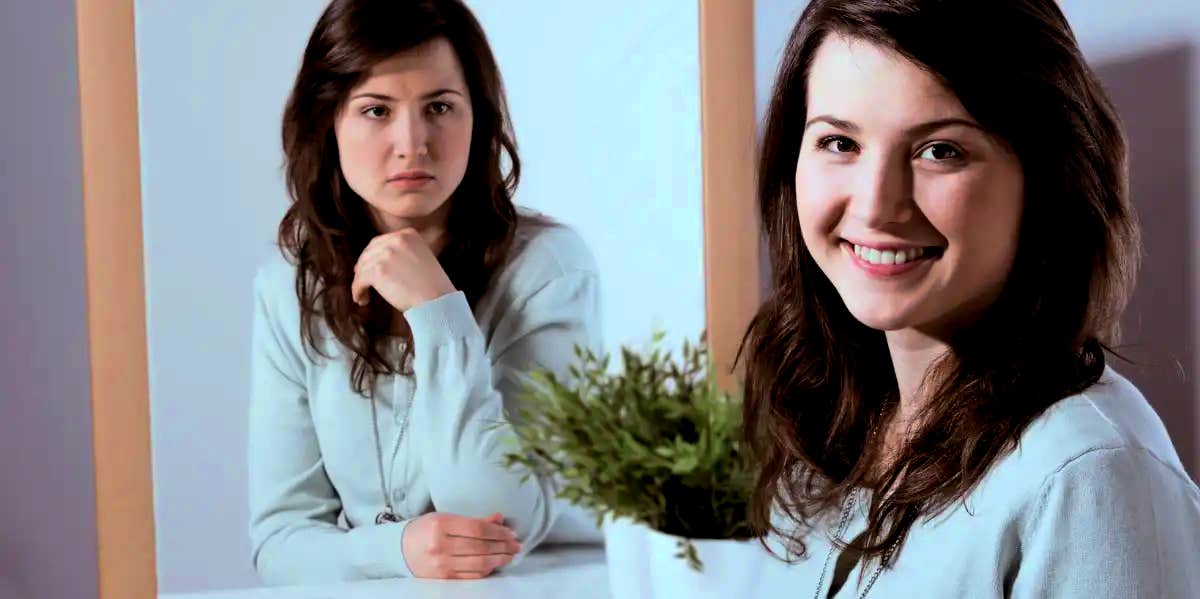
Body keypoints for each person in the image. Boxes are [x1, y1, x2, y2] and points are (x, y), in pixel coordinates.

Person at [738, 1, 1200, 597]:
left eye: (940, 151)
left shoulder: (1089, 477)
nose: (877, 205)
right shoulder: (840, 424)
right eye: (839, 143)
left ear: (1046, 178)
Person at [248, 0, 601, 584]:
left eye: (439, 107)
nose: (412, 143)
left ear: (478, 120)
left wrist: (439, 315)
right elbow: (280, 542)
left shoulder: (548, 269)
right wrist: (401, 549)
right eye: (376, 110)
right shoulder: (290, 284)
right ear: (329, 121)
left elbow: (502, 522)